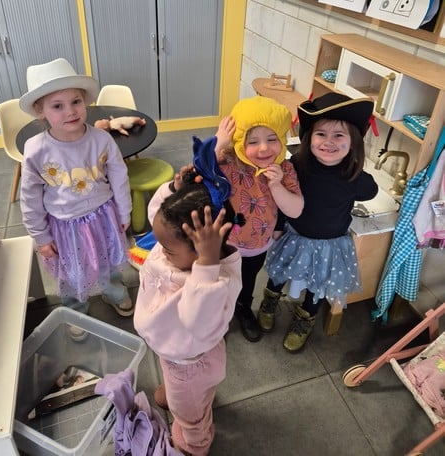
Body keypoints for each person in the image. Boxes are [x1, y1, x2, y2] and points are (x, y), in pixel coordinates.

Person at [134, 136, 242, 456]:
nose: (160, 251)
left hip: (189, 364)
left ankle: (195, 444)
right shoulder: (176, 245)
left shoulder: (213, 281)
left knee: (190, 415)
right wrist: (173, 190)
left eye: (167, 248)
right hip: (173, 349)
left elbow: (197, 321)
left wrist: (207, 266)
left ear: (202, 251)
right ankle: (179, 395)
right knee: (181, 392)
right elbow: (159, 216)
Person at [258, 92, 378, 352]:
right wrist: (277, 227)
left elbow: (371, 191)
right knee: (278, 274)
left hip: (330, 245)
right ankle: (269, 302)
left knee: (318, 286)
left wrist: (356, 169)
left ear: (353, 142)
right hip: (295, 235)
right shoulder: (296, 167)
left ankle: (305, 320)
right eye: (321, 134)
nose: (328, 142)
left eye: (339, 136)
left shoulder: (353, 177)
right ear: (309, 138)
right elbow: (281, 199)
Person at [19, 58, 133, 318]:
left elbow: (119, 175)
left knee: (109, 260)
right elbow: (30, 198)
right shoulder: (36, 150)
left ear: (84, 102)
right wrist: (40, 237)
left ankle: (113, 291)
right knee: (71, 270)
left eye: (76, 101)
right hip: (64, 226)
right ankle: (75, 309)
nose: (70, 111)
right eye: (57, 106)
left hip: (103, 216)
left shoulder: (102, 139)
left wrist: (124, 211)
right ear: (40, 111)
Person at [215, 96, 304, 342]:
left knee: (248, 279)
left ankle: (243, 308)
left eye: (272, 139)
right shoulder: (228, 162)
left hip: (258, 245)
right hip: (225, 242)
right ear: (239, 142)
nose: (263, 148)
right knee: (220, 282)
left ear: (282, 139)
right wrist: (219, 143)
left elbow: (295, 210)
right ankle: (218, 317)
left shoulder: (285, 169)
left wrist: (276, 185)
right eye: (253, 141)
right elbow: (198, 170)